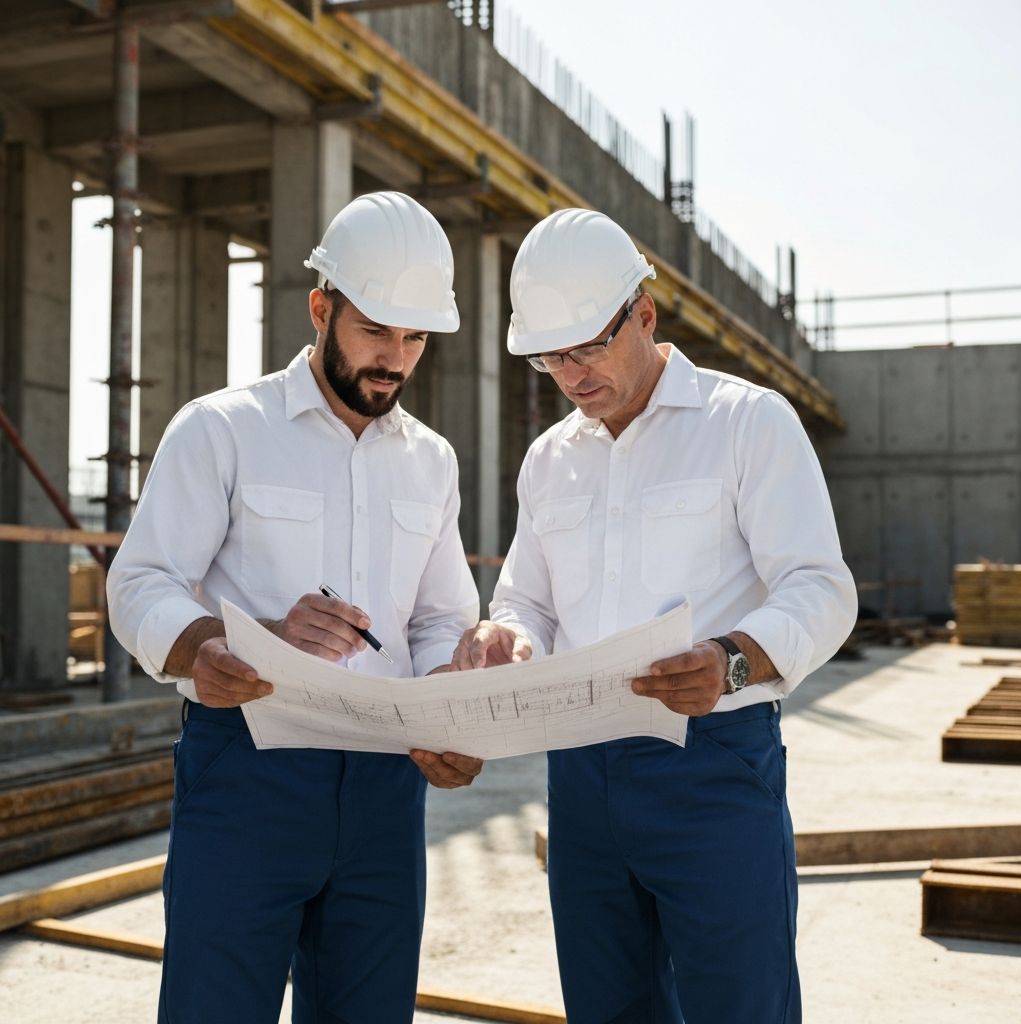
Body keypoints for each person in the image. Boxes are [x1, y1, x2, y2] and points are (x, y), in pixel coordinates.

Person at [452, 208, 858, 1023]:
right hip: (581, 776)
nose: (570, 374)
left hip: (712, 767)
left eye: (587, 347)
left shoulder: (748, 424)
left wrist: (732, 660)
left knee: (739, 1004)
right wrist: (511, 636)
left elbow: (822, 588)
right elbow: (527, 597)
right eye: (549, 357)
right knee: (607, 1007)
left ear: (644, 313)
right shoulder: (549, 459)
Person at [107, 191, 484, 1024]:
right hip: (248, 774)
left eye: (414, 337)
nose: (394, 358)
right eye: (375, 331)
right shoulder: (222, 430)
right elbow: (140, 583)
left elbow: (437, 620)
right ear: (321, 308)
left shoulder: (432, 462)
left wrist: (451, 709)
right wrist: (221, 642)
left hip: (386, 789)